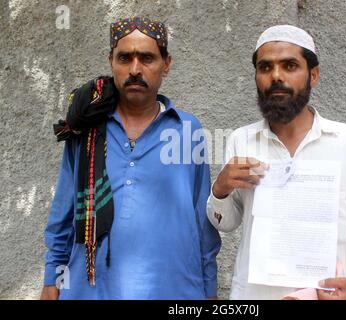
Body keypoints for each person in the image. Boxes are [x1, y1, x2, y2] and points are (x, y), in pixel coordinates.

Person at [207, 25, 346, 300]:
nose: (276, 76)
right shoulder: (242, 140)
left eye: (290, 65)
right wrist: (220, 190)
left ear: (313, 75)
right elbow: (227, 222)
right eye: (265, 67)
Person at [41, 16, 221, 300]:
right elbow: (63, 214)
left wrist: (209, 287)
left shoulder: (188, 131)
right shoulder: (87, 129)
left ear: (166, 64)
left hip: (173, 290)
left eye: (147, 58)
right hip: (89, 291)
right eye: (125, 58)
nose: (135, 69)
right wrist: (52, 280)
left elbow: (203, 219)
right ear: (111, 61)